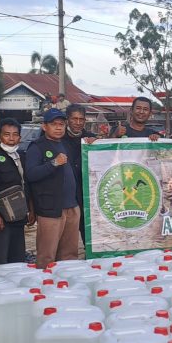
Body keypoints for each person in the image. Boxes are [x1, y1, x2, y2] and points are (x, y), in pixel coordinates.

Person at [25, 109, 80, 268]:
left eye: (61, 124)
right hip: (51, 209)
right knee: (47, 256)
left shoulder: (64, 144)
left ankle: (66, 286)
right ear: (44, 126)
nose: (58, 128)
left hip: (71, 207)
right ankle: (45, 286)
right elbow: (30, 174)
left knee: (70, 254)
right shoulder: (37, 146)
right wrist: (53, 163)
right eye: (54, 124)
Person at [0, 118, 34, 268]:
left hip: (18, 218)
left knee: (18, 260)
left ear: (20, 137)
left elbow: (26, 185)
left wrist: (31, 210)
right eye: (7, 135)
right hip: (0, 220)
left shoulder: (22, 156)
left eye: (15, 135)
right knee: (0, 262)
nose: (11, 138)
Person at [61, 104, 97, 245]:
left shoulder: (91, 138)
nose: (77, 123)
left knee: (87, 231)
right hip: (66, 194)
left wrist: (97, 144)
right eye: (74, 119)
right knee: (66, 237)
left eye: (81, 119)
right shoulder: (59, 137)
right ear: (67, 120)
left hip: (86, 194)